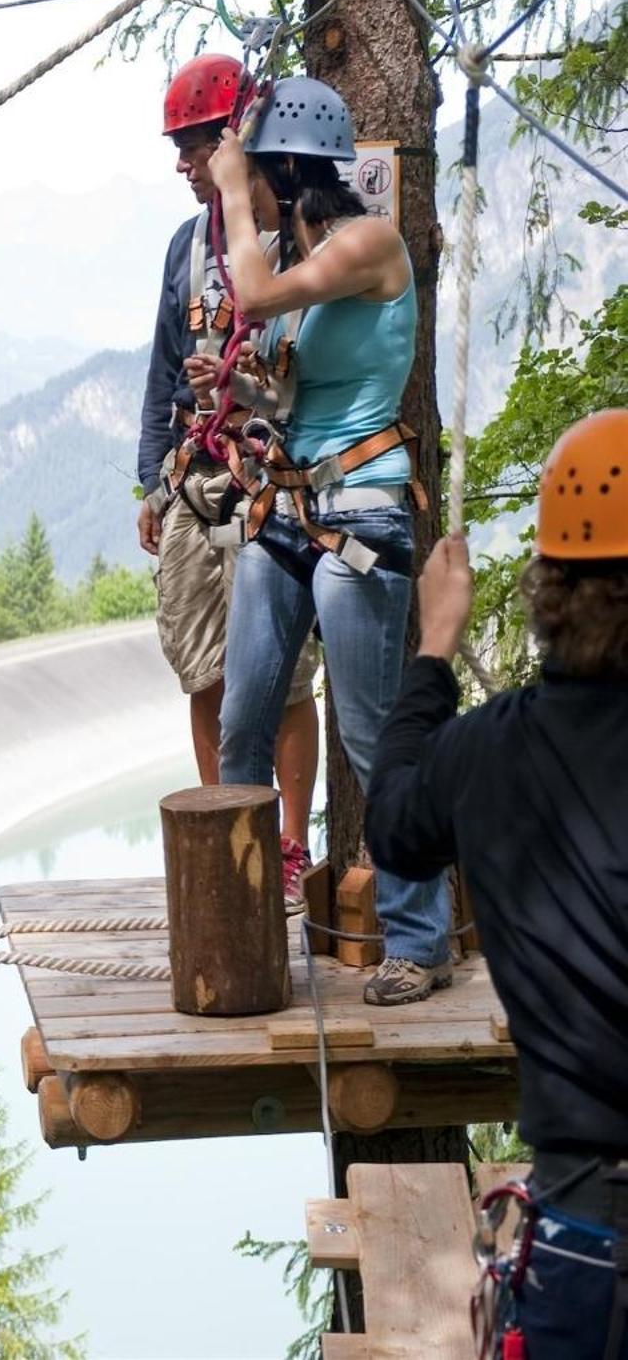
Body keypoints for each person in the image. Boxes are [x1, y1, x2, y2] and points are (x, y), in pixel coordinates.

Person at [365, 410, 628, 1358]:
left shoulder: (489, 756)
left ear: (548, 585)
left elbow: (392, 825)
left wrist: (435, 647)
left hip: (583, 1245)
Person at [193, 76, 450, 1006]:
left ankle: (421, 942)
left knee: (373, 735)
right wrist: (249, 395)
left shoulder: (367, 245)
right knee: (241, 729)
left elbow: (251, 296)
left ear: (281, 171)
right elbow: (301, 394)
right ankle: (249, 931)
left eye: (251, 176)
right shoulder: (310, 274)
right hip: (293, 515)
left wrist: (225, 188)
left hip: (362, 516)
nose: (242, 192)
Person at [137, 54, 320, 900]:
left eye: (193, 143)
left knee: (282, 672)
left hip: (272, 473)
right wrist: (151, 482)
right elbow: (165, 367)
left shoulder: (297, 233)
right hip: (195, 473)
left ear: (234, 136)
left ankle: (287, 845)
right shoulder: (185, 246)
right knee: (202, 667)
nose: (181, 161)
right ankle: (223, 827)